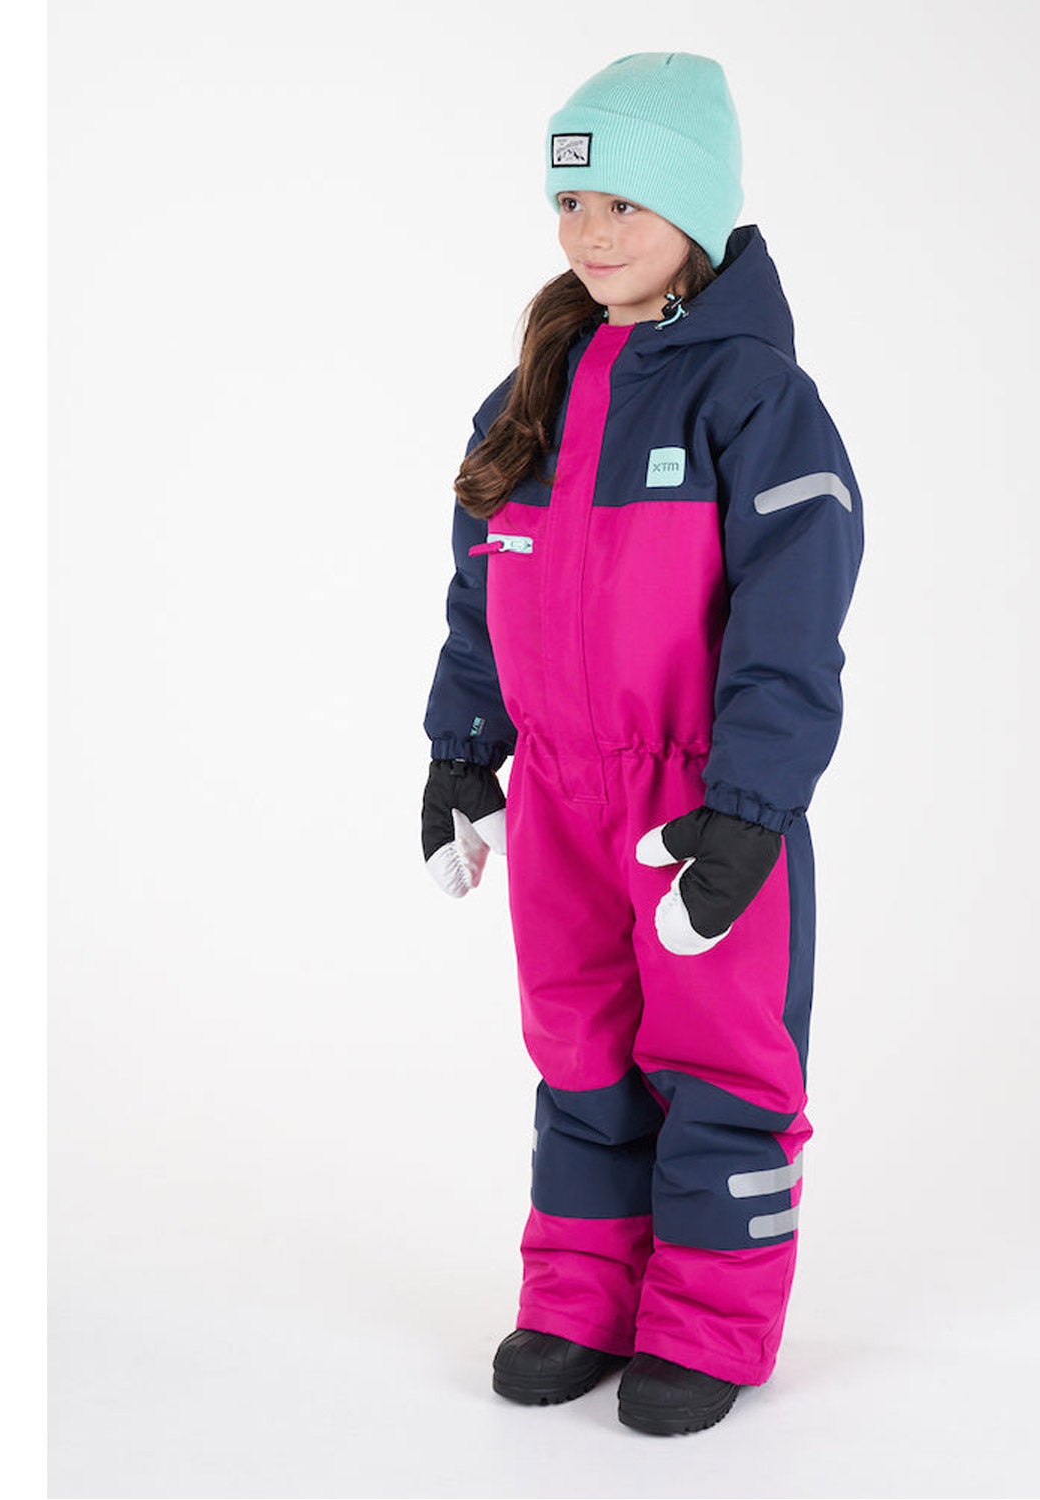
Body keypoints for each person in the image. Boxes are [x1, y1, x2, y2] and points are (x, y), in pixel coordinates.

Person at [420, 52, 864, 1436]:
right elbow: (483, 588)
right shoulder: (531, 395)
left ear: (698, 206)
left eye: (625, 202)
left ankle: (708, 1322)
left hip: (697, 798)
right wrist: (461, 751)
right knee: (578, 1042)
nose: (592, 234)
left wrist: (750, 804)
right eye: (572, 203)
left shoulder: (754, 397)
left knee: (718, 1050)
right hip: (560, 788)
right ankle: (579, 1298)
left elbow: (795, 617)